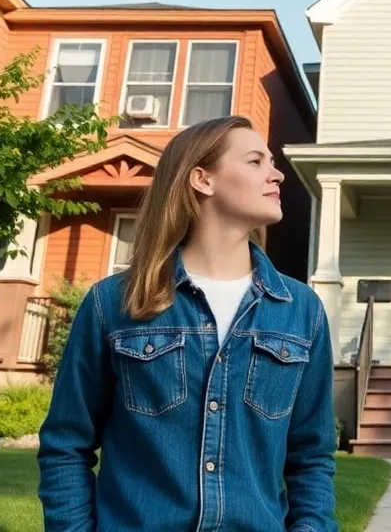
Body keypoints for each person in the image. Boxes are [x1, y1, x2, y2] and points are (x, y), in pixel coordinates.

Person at [38, 115, 338, 532]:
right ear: (202, 179)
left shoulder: (301, 310)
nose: (277, 174)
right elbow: (66, 445)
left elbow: (311, 456)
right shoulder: (112, 303)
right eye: (255, 162)